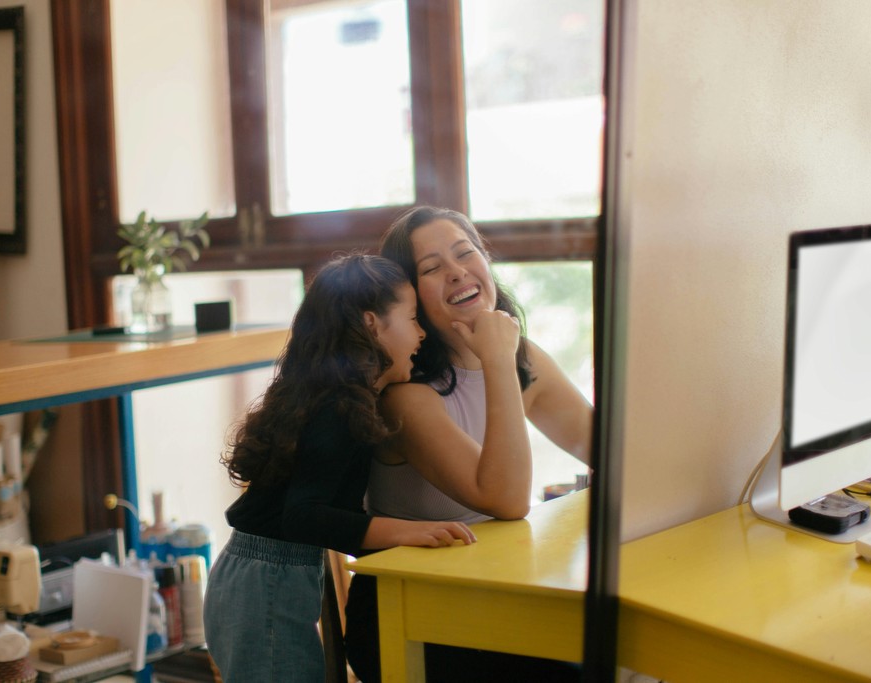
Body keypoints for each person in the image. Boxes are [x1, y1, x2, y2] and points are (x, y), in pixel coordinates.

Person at [344, 207, 593, 682]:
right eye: (432, 268)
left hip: (492, 589)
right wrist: (496, 358)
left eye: (466, 253)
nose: (457, 271)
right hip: (410, 612)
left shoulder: (523, 359)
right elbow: (504, 499)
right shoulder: (405, 396)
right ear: (408, 297)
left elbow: (608, 450)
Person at [203, 253, 477, 683]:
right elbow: (304, 515)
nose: (422, 332)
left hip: (256, 575)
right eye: (411, 318)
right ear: (372, 324)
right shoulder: (340, 405)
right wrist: (406, 531)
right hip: (265, 583)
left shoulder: (331, 396)